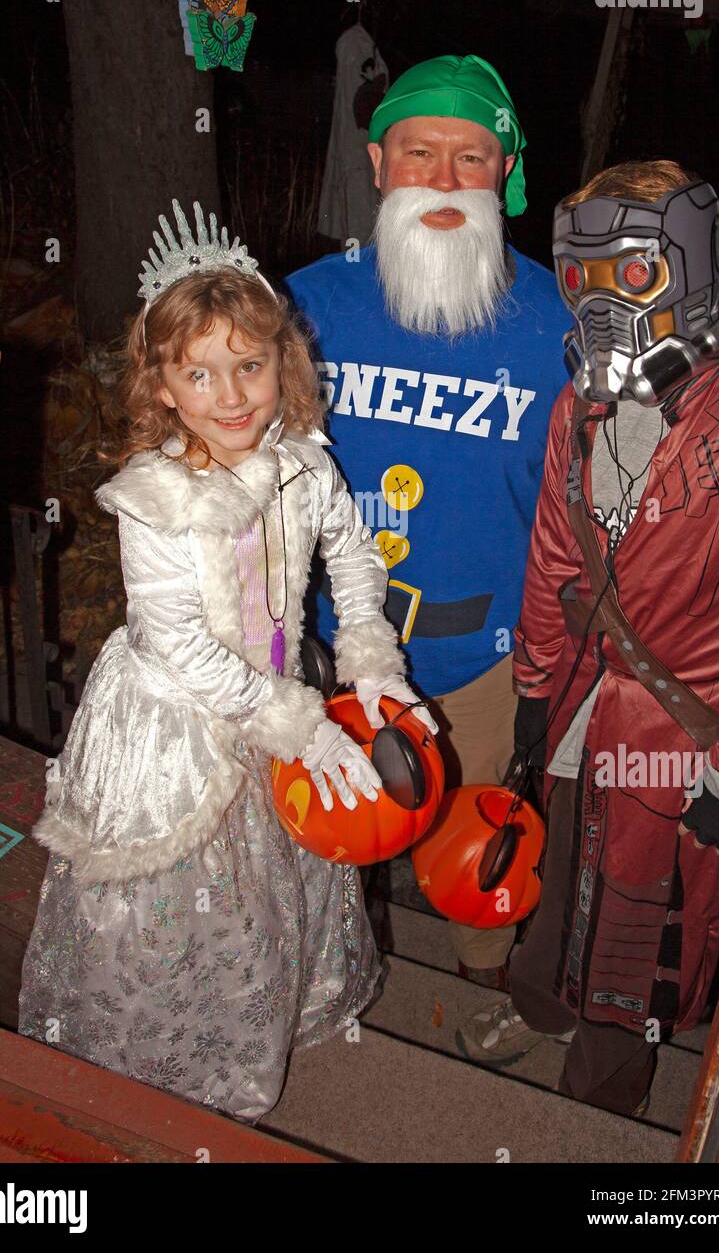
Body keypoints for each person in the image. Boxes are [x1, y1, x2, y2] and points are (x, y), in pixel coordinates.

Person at [18, 200, 435, 1122]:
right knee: (186, 904)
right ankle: (162, 1067)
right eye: (200, 374)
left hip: (283, 700)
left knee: (269, 890)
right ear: (162, 385)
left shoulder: (304, 462)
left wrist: (371, 661)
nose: (232, 395)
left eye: (250, 367)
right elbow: (179, 645)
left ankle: (257, 1024)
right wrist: (297, 722)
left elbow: (354, 556)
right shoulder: (154, 496)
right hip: (181, 721)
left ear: (282, 366)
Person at [458, 161, 719, 1117]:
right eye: (581, 278)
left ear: (691, 267)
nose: (600, 304)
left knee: (644, 920)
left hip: (686, 727)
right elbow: (556, 557)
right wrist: (533, 688)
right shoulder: (578, 407)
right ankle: (540, 1005)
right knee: (561, 879)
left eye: (629, 277)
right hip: (584, 703)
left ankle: (599, 1095)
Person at [288, 55, 571, 988]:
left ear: (507, 173)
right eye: (419, 154)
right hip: (323, 653)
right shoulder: (303, 307)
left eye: (471, 158)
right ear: (377, 165)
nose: (444, 181)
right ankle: (314, 987)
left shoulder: (564, 324)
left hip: (483, 661)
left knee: (478, 851)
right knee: (319, 836)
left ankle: (483, 984)